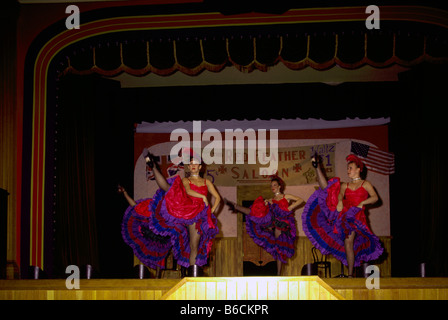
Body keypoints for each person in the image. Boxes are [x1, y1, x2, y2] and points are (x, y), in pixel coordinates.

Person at [120, 150, 221, 277]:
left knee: (194, 245)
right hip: (184, 206)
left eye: (196, 163)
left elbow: (218, 198)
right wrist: (203, 197)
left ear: (200, 167)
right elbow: (188, 191)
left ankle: (192, 275)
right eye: (191, 164)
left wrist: (211, 211)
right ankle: (153, 167)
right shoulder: (186, 180)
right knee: (169, 189)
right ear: (189, 167)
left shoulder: (207, 182)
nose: (193, 165)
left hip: (197, 213)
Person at [302, 154, 384, 277]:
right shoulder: (346, 185)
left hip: (356, 216)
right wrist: (340, 201)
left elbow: (375, 198)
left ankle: (351, 274)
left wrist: (362, 202)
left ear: (358, 169)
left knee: (349, 242)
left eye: (350, 168)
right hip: (345, 213)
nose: (348, 170)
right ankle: (317, 166)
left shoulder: (365, 184)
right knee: (329, 191)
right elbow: (340, 194)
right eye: (348, 168)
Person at [225, 176, 304, 276]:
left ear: (280, 186)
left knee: (280, 248)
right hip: (273, 221)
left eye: (275, 185)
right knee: (255, 212)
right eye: (271, 186)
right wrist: (265, 204)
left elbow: (300, 200)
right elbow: (261, 212)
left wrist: (290, 207)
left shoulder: (286, 196)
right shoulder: (271, 200)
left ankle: (279, 275)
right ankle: (236, 206)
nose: (273, 187)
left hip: (283, 223)